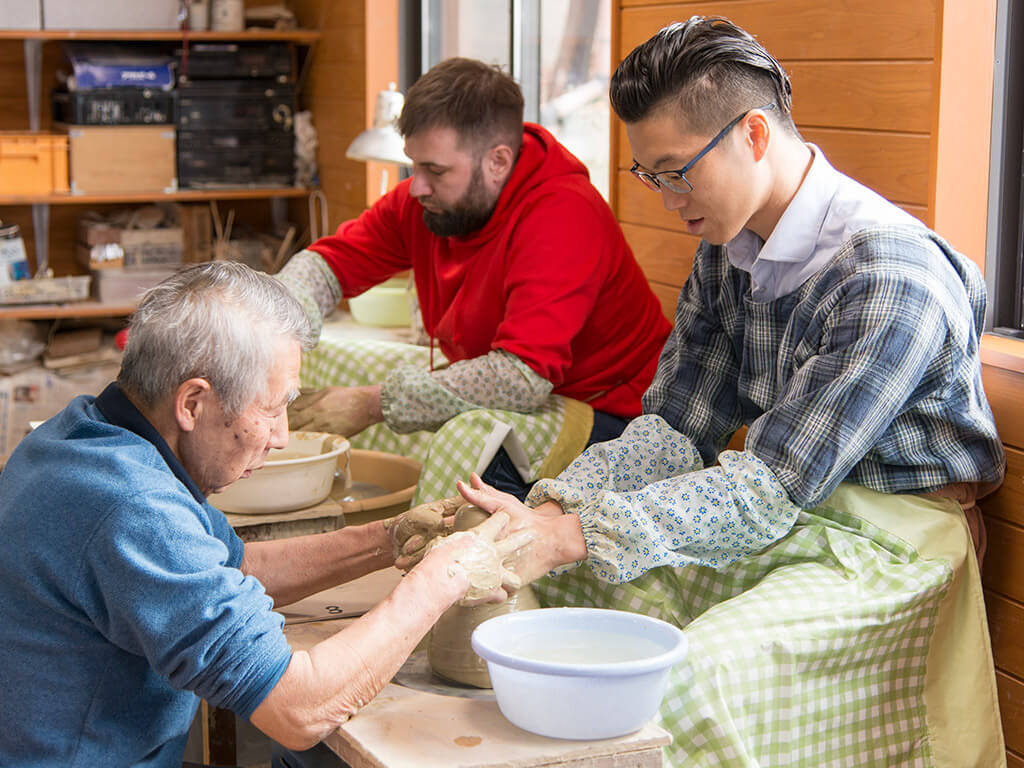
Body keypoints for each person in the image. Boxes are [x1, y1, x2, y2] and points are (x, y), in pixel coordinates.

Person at [457, 16, 1008, 767]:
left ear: (753, 134)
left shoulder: (889, 277)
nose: (664, 197)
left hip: (893, 544)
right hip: (793, 513)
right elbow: (674, 432)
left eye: (677, 170)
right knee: (578, 590)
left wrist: (568, 534)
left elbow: (768, 489)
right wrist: (550, 509)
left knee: (688, 677)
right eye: (649, 175)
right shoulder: (726, 254)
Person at [0, 262, 528, 768]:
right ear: (193, 404)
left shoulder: (83, 432)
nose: (280, 437)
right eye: (272, 409)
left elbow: (233, 570)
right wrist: (444, 578)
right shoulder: (133, 508)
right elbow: (299, 710)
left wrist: (389, 539)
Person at [279, 56, 671, 500]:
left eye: (436, 170)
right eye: (414, 166)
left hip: (618, 416)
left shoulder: (562, 214)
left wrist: (369, 404)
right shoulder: (428, 200)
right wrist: (276, 328)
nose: (416, 186)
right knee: (351, 368)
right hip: (535, 394)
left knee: (467, 449)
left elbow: (519, 378)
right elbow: (327, 264)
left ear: (498, 161)